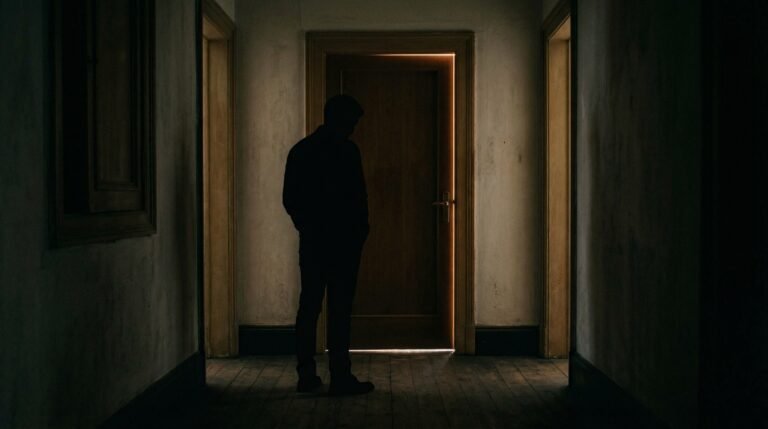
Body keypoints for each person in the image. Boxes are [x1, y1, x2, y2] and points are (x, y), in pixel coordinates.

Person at [282, 94, 374, 395]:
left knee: (309, 307)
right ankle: (340, 374)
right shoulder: (348, 152)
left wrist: (308, 227)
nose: (355, 128)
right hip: (343, 244)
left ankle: (306, 374)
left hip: (316, 242)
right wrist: (359, 232)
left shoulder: (302, 151)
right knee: (339, 309)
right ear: (342, 120)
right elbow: (359, 200)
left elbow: (290, 199)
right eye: (353, 123)